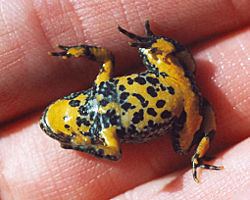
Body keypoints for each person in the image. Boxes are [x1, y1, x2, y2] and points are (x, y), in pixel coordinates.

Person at [0, 1, 249, 199]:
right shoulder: (101, 86)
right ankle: (200, 147)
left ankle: (200, 152)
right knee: (148, 51)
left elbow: (114, 153)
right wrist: (79, 51)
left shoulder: (107, 133)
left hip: (183, 96)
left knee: (182, 149)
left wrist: (81, 144)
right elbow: (106, 58)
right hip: (176, 84)